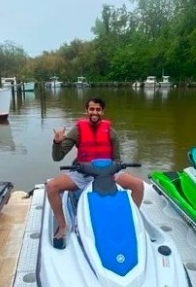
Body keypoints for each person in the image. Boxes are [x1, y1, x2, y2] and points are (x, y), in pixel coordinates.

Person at [47, 97, 144, 249]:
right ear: (87, 111)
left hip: (107, 174)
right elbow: (57, 157)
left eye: (98, 109)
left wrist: (113, 171)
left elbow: (117, 160)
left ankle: (130, 221)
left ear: (102, 112)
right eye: (91, 109)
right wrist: (57, 143)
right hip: (82, 174)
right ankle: (62, 225)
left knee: (138, 185)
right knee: (52, 186)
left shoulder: (111, 133)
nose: (94, 112)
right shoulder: (77, 131)